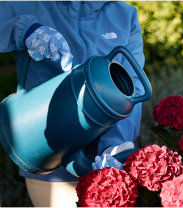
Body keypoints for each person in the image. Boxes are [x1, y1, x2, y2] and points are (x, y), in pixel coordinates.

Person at [0, 1, 145, 207]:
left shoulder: (123, 14)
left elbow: (133, 86)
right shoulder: (25, 3)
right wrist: (23, 30)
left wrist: (115, 144)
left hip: (108, 165)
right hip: (47, 158)